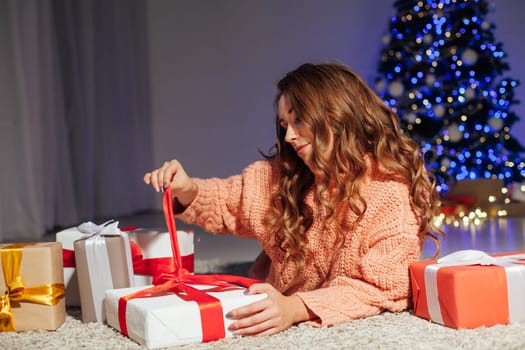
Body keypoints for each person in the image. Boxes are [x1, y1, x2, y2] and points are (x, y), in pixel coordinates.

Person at [143, 62, 444, 337]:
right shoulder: (284, 176)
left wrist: (295, 308)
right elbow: (230, 201)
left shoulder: (389, 194)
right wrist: (189, 189)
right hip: (271, 292)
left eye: (299, 120)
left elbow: (381, 287)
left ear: (338, 116)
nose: (288, 136)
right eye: (285, 124)